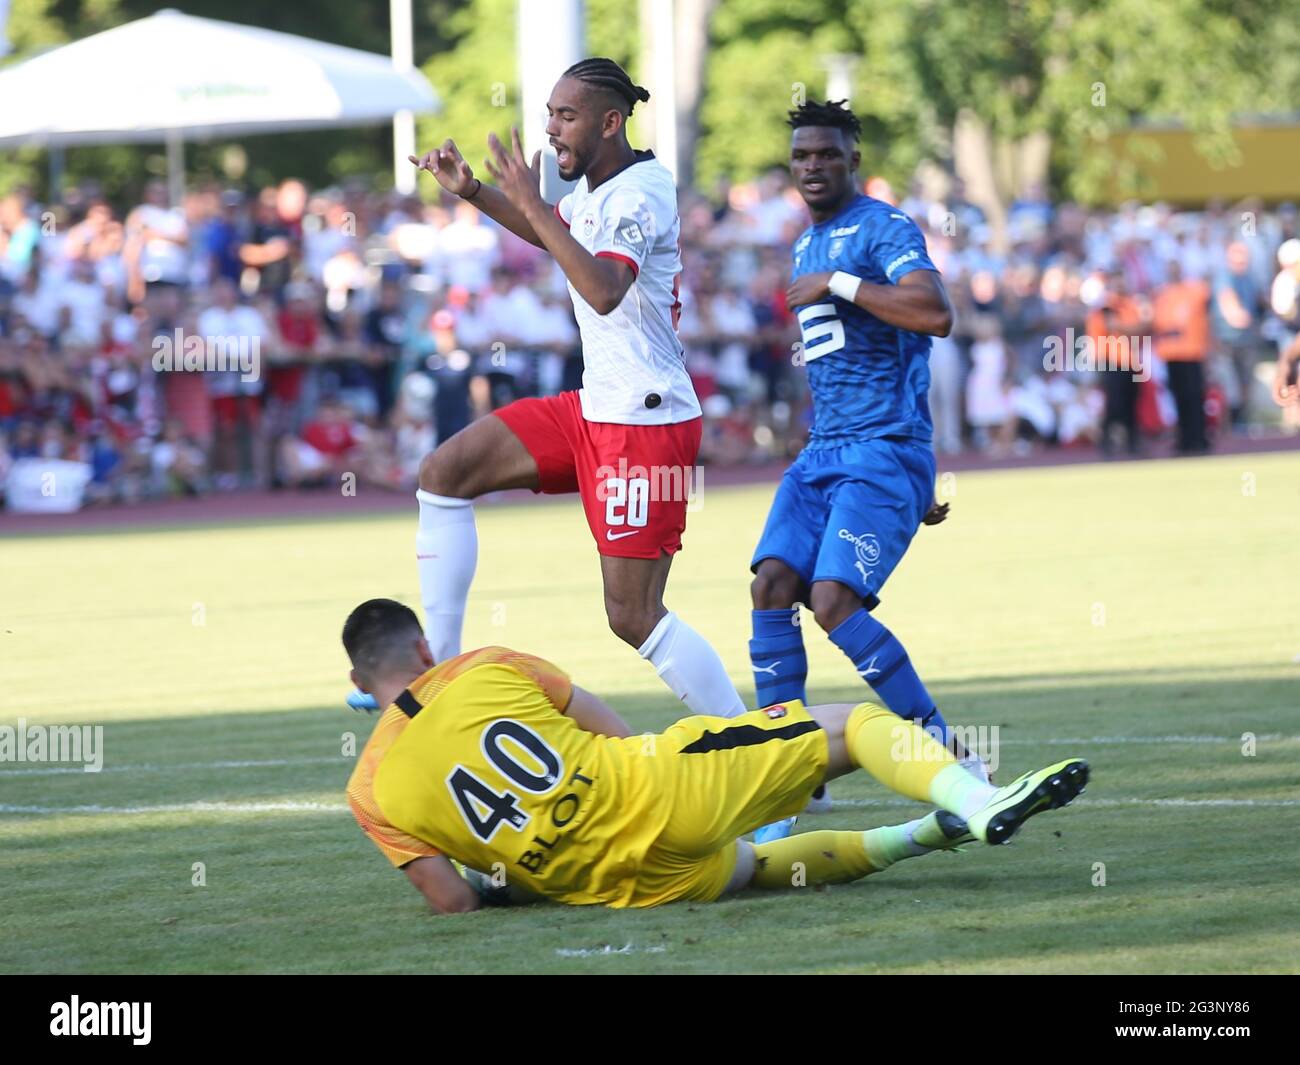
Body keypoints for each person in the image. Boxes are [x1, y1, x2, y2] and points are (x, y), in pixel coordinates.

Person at [375, 58, 744, 722]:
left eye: (565, 116)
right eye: (549, 114)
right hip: (594, 406)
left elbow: (603, 290)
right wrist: (476, 193)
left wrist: (531, 203)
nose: (550, 129)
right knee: (443, 472)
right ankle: (441, 681)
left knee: (632, 616)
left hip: (643, 421)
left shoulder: (641, 192)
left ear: (610, 122)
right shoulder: (600, 187)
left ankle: (760, 751)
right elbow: (557, 234)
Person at [342, 598, 1088, 913]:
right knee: (853, 724)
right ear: (422, 647)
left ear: (357, 682)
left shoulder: (368, 791)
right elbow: (610, 730)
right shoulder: (482, 664)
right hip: (658, 790)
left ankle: (930, 833)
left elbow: (457, 900)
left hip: (612, 882)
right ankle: (977, 800)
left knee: (758, 868)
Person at [746, 100, 973, 836]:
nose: (811, 165)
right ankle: (790, 773)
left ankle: (946, 754)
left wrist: (911, 465)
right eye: (800, 156)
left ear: (851, 161)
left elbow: (935, 315)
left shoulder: (884, 227)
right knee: (771, 585)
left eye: (825, 154)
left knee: (833, 597)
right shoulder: (805, 244)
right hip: (826, 449)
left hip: (881, 448)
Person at [1152, 261, 1210, 454]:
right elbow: (1158, 322)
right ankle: (1185, 438)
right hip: (1171, 353)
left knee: (1194, 396)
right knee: (1179, 398)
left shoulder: (1194, 291)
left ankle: (1199, 438)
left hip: (1191, 352)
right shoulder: (1162, 295)